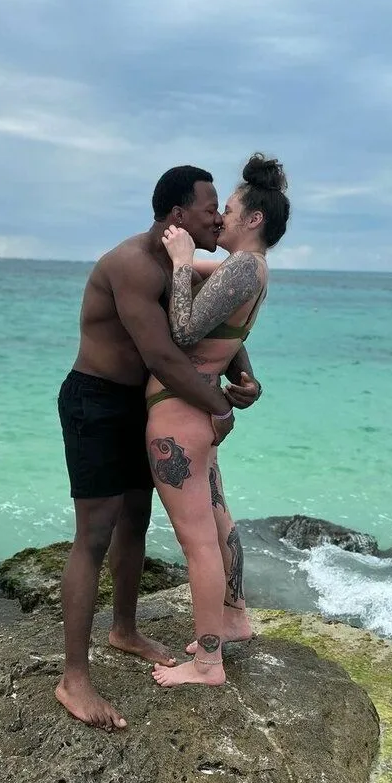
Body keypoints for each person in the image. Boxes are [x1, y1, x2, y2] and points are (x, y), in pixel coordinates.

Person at [56, 165, 263, 730]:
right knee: (94, 535)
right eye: (209, 209)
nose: (217, 218)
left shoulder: (180, 264)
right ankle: (74, 679)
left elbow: (213, 324)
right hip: (97, 401)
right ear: (177, 214)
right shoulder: (131, 265)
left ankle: (123, 630)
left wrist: (242, 376)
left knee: (136, 522)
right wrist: (219, 407)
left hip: (139, 404)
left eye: (221, 209)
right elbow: (165, 355)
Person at [146, 153, 290, 688]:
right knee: (218, 517)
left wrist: (184, 260)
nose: (220, 217)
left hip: (180, 416)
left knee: (198, 540)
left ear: (253, 219)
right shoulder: (247, 269)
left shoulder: (245, 267)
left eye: (228, 210)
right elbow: (203, 290)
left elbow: (184, 331)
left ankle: (208, 662)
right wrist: (177, 259)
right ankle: (233, 619)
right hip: (196, 416)